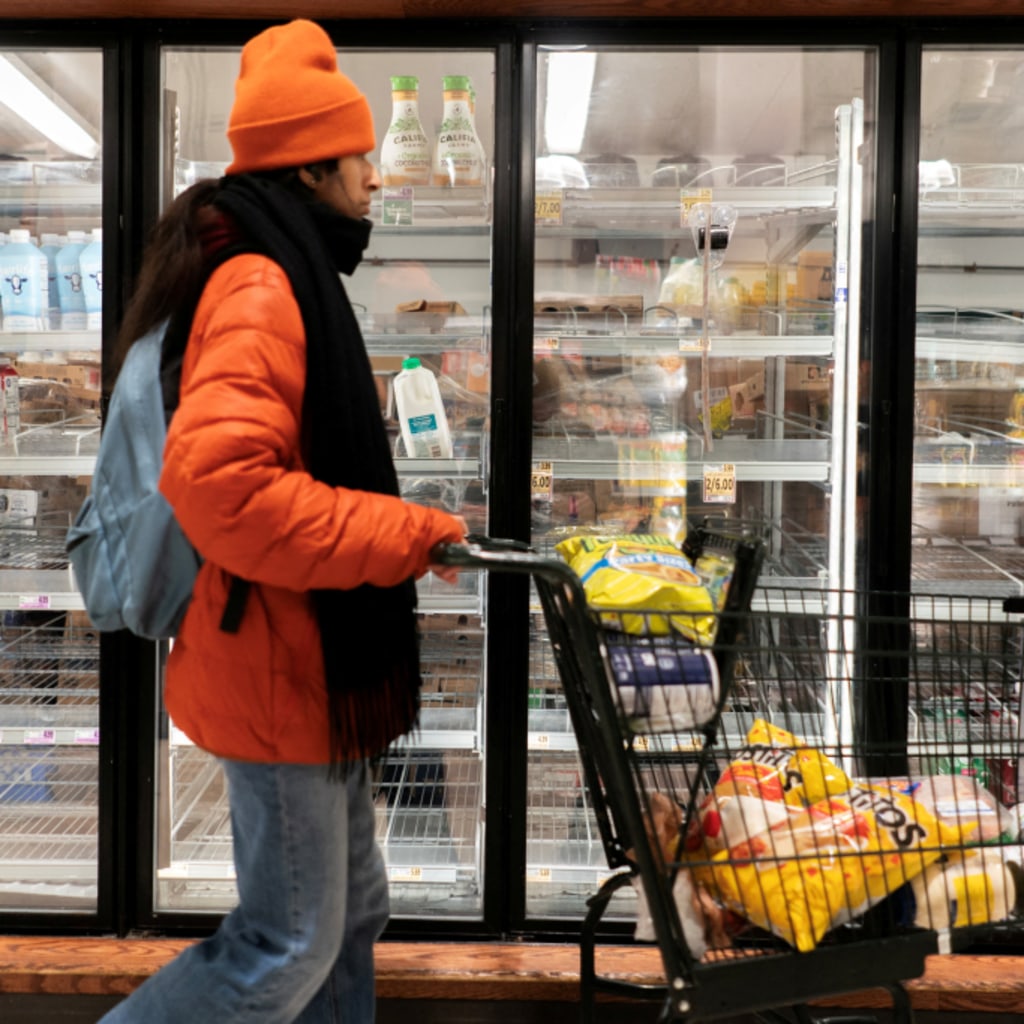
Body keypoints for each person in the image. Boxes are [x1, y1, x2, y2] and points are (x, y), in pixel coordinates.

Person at [99, 19, 466, 1024]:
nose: (375, 177)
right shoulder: (263, 282)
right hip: (277, 664)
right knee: (286, 940)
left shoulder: (285, 267)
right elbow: (225, 489)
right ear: (311, 163)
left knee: (351, 915)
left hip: (307, 660)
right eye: (361, 154)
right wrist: (402, 530)